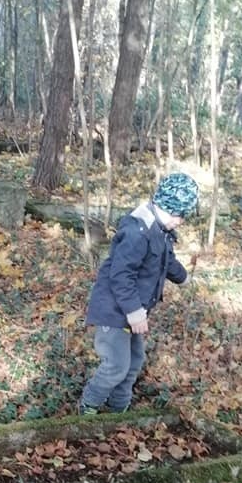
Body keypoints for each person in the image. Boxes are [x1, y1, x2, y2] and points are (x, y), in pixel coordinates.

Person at [79, 172, 199, 415]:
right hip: (114, 311)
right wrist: (134, 312)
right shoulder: (138, 232)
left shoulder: (160, 230)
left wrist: (185, 278)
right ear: (162, 206)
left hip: (134, 311)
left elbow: (167, 260)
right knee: (116, 365)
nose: (180, 221)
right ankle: (88, 407)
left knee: (133, 363)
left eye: (183, 216)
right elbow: (121, 276)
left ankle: (118, 411)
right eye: (177, 214)